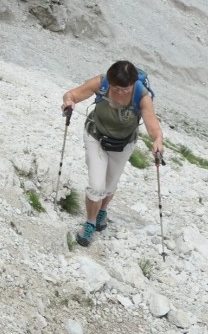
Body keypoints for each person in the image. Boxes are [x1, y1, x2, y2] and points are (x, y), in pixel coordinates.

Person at [61, 60, 164, 247]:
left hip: (123, 144)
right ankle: (90, 223)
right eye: (116, 88)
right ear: (110, 80)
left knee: (110, 185)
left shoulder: (141, 95)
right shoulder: (101, 83)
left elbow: (153, 126)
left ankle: (103, 211)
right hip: (96, 136)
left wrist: (157, 140)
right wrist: (68, 102)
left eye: (125, 89)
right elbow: (72, 95)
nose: (120, 93)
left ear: (133, 84)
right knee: (96, 186)